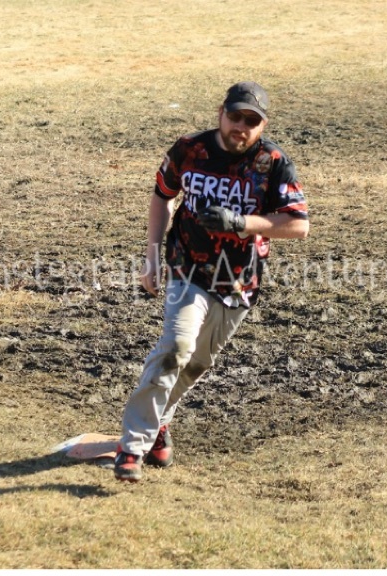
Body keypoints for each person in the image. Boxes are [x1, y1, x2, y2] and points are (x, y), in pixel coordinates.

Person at [114, 81, 310, 482]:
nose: (241, 127)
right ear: (221, 113)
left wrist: (241, 223)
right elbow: (162, 195)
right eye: (235, 116)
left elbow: (298, 224)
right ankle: (132, 446)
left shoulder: (272, 162)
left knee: (196, 364)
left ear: (263, 125)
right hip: (187, 268)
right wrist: (152, 255)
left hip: (239, 280)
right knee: (175, 348)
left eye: (251, 121)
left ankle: (160, 422)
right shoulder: (190, 150)